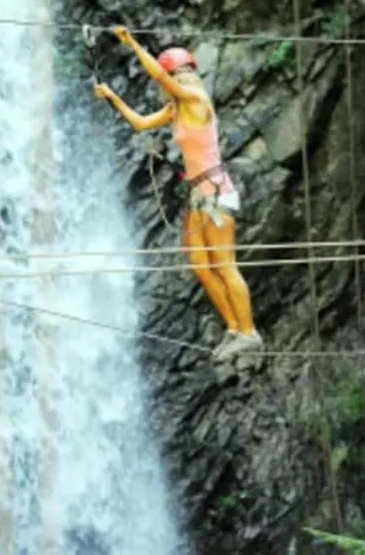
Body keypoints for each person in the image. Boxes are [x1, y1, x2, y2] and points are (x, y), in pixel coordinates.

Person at [94, 27, 262, 360]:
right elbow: (141, 124)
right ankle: (232, 329)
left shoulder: (196, 101)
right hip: (198, 196)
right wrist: (112, 96)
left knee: (225, 265)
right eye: (177, 76)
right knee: (200, 265)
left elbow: (158, 74)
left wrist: (132, 44)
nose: (176, 82)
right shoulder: (176, 108)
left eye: (179, 76)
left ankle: (249, 332)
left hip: (216, 192)